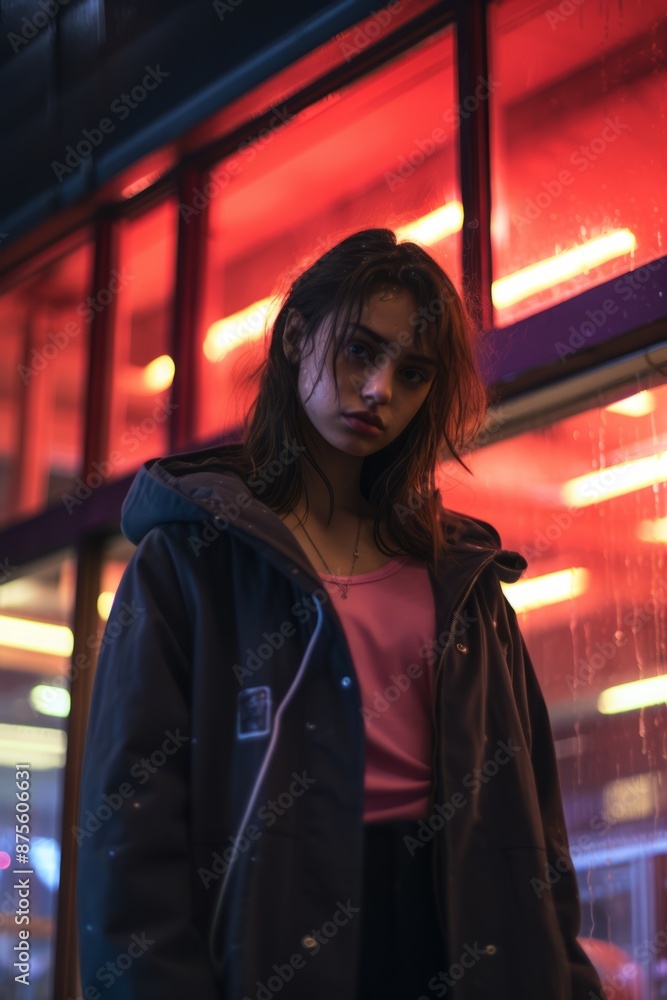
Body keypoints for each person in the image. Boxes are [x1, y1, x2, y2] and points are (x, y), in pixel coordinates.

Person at [76, 228, 605, 999]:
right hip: (282, 931)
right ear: (295, 336)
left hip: (463, 932)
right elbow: (130, 835)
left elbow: (537, 835)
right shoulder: (192, 562)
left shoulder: (465, 580)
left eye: (412, 372)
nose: (378, 390)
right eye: (359, 351)